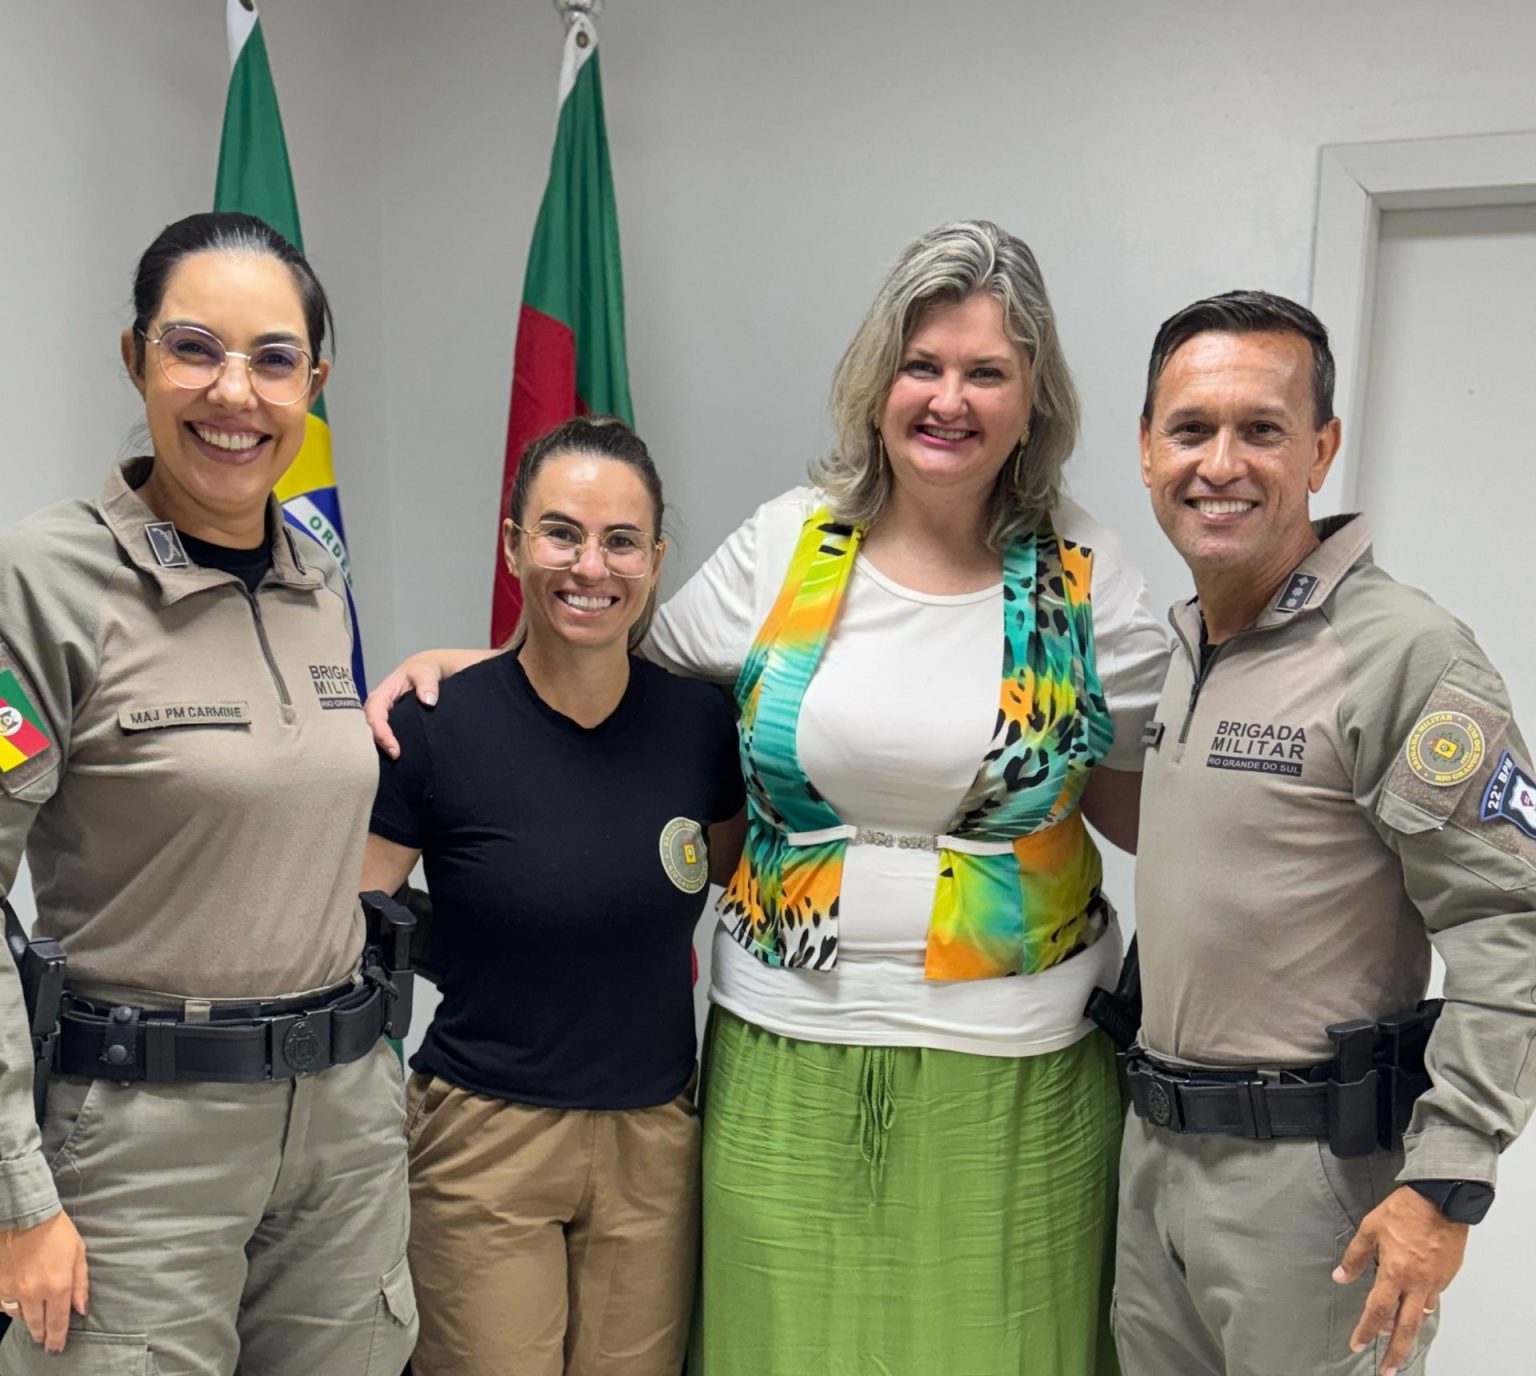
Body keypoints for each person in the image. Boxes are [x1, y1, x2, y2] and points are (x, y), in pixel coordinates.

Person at [368, 220, 1170, 1374]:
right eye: (922, 363)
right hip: (786, 1044)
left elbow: (1155, 801)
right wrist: (477, 673)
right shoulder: (791, 544)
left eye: (986, 371)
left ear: (1034, 395)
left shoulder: (1082, 577)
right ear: (877, 378)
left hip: (1021, 1066)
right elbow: (614, 667)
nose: (949, 399)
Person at [0, 212, 417, 1374]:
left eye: (274, 359)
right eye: (194, 348)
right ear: (135, 357)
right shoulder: (48, 576)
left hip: (342, 1129)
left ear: (312, 386)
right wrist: (16, 1193)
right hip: (141, 1142)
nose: (235, 392)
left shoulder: (316, 574)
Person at [1116, 290, 1536, 1376]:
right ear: (1147, 447)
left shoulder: (1402, 652)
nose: (1220, 463)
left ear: (1321, 449)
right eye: (1191, 429)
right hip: (1153, 1162)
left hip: (1313, 1195)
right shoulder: (1183, 644)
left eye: (1261, 428)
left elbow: (1512, 920)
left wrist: (1446, 1179)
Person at [361, 416, 745, 1376]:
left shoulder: (699, 726)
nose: (590, 566)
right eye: (561, 534)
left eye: (621, 541)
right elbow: (348, 937)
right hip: (485, 1139)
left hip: (654, 1140)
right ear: (513, 545)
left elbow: (743, 875)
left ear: (655, 561)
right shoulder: (436, 726)